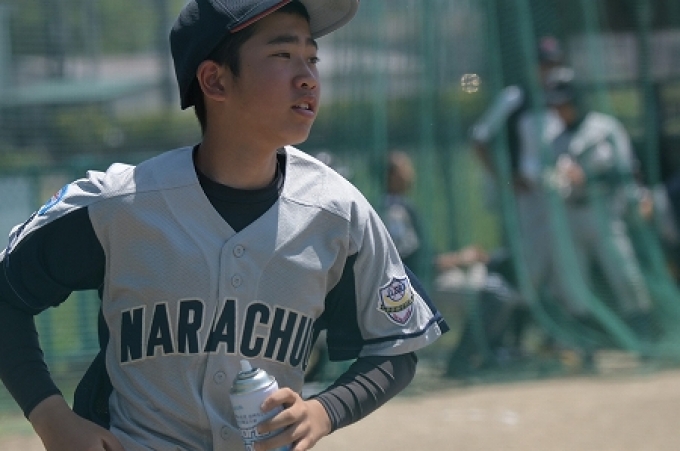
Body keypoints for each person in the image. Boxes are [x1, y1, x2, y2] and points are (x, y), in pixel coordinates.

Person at [0, 2, 449, 451]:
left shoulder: (338, 213)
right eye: (282, 54)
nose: (308, 77)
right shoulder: (120, 205)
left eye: (312, 57)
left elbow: (397, 344)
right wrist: (51, 417)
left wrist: (325, 410)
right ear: (215, 80)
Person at [543, 67, 655, 338]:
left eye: (564, 103)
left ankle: (645, 334)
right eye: (556, 104)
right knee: (573, 280)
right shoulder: (555, 139)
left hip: (603, 211)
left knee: (624, 274)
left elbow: (626, 171)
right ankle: (584, 342)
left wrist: (588, 178)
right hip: (570, 214)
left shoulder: (605, 128)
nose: (559, 109)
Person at [471, 36, 566, 302]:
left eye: (553, 64)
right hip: (527, 194)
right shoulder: (516, 96)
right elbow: (479, 138)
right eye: (544, 64)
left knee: (558, 255)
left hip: (559, 191)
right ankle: (519, 312)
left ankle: (553, 313)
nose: (549, 70)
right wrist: (505, 179)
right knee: (528, 256)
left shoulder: (561, 95)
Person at [381, 150, 425, 275]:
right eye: (405, 168)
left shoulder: (401, 205)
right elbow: (408, 255)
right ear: (392, 176)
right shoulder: (394, 211)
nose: (411, 173)